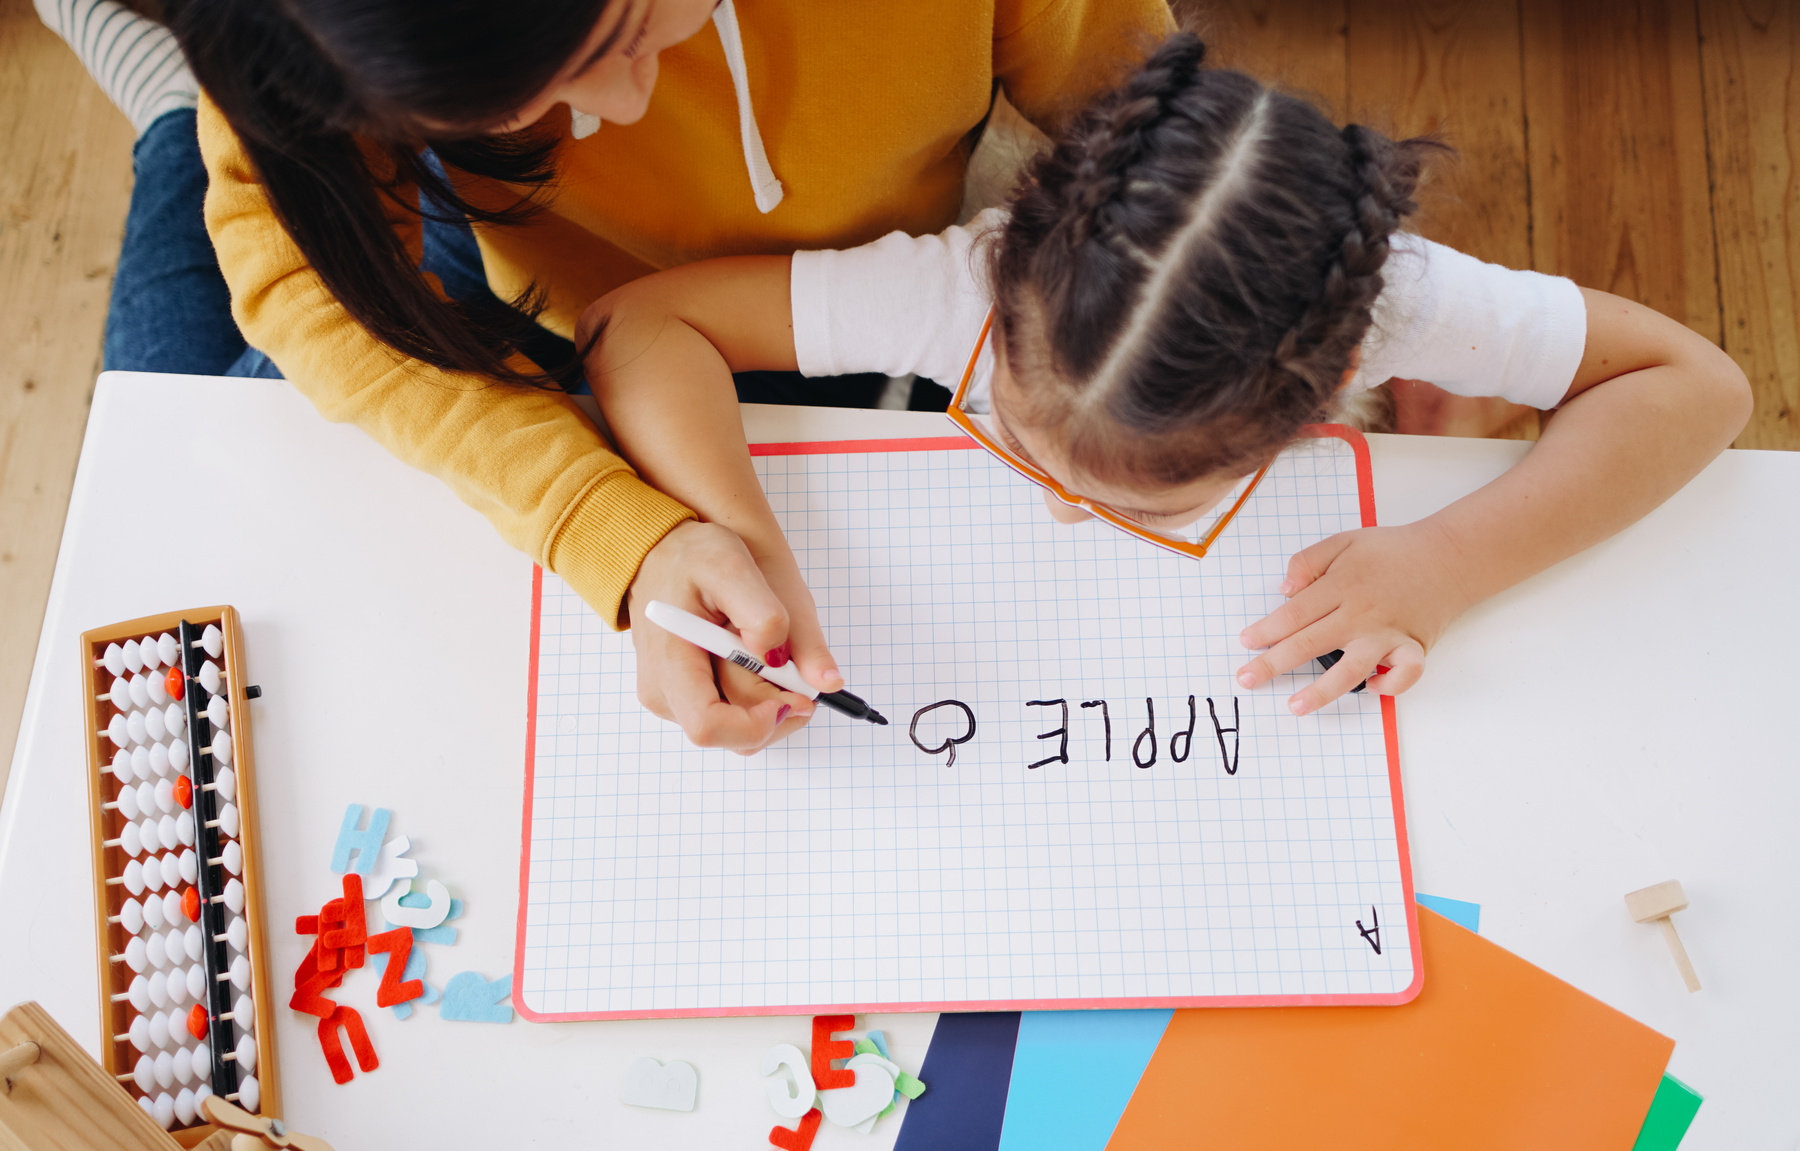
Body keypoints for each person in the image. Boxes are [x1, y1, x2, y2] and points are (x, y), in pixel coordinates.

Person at [35, 0, 1175, 753]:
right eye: (539, 98)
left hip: (842, 301)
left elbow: (1149, 130)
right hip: (516, 279)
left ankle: (183, 112)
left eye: (627, 30)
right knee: (178, 465)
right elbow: (303, 278)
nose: (622, 108)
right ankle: (205, 111)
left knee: (176, 413)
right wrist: (613, 527)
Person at [572, 33, 1753, 720]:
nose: (1060, 510)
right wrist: (743, 539)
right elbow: (639, 325)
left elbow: (1698, 388)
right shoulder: (958, 285)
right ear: (1013, 263)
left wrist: (1451, 559)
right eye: (1032, 449)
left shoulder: (1400, 301)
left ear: (1338, 375)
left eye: (1137, 501)